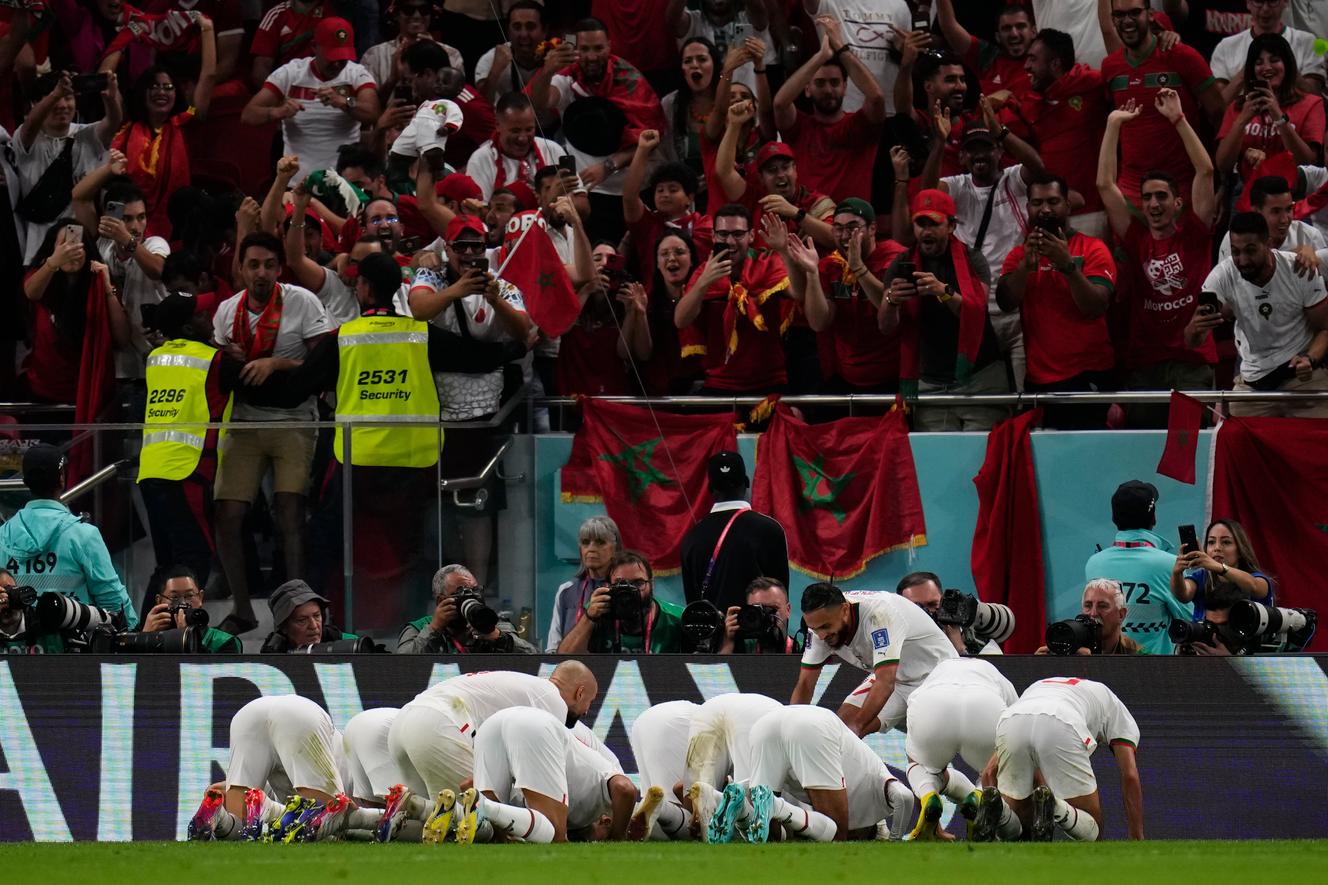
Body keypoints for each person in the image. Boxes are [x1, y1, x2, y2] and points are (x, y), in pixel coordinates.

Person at [210, 231, 331, 635]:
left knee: (289, 513)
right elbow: (220, 369)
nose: (260, 273)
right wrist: (232, 360)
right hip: (244, 420)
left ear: (279, 269)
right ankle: (243, 609)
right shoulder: (228, 310)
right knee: (227, 513)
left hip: (295, 420)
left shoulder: (303, 302)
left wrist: (277, 363)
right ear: (241, 268)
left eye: (268, 265)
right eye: (253, 265)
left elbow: (325, 364)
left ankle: (298, 612)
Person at [1098, 91, 1218, 426]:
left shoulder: (1195, 233)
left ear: (1178, 202)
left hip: (1190, 361)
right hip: (1145, 364)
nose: (1153, 204)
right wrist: (1112, 126)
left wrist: (1178, 120)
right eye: (1147, 196)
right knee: (1145, 451)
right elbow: (1105, 185)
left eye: (1162, 196)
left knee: (1187, 454)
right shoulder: (1136, 237)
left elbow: (1205, 171)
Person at [381, 663, 599, 841]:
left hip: (403, 722)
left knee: (432, 824)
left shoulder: (528, 687)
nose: (587, 710)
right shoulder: (554, 702)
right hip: (439, 724)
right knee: (483, 827)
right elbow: (536, 766)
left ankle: (371, 819)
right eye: (590, 702)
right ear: (580, 693)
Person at [925, 115, 1044, 391]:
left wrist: (1001, 131)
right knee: (983, 393)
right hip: (973, 312)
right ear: (963, 155)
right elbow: (929, 194)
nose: (980, 155)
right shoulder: (955, 185)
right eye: (972, 149)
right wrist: (940, 144)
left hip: (1015, 312)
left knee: (1025, 394)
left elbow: (1038, 167)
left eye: (987, 147)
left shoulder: (1014, 180)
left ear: (999, 151)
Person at [880, 187, 1008, 430]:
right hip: (931, 381)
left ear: (951, 226)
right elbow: (885, 327)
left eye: (934, 224)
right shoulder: (901, 264)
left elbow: (976, 313)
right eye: (920, 223)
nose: (926, 232)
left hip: (979, 377)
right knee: (939, 460)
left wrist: (943, 292)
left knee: (983, 457)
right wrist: (891, 301)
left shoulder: (973, 260)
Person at [996, 173, 1117, 429]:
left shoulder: (1092, 248)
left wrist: (1067, 266)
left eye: (1053, 201)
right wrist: (1024, 269)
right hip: (1039, 381)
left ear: (1067, 205)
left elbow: (1095, 307)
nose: (1045, 209)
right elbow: (1006, 302)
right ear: (1028, 207)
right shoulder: (1019, 255)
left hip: (1089, 376)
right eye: (1037, 203)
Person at [979, 676, 1143, 841]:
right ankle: (1055, 806)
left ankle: (1002, 813)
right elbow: (1130, 774)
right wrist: (1136, 835)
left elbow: (988, 771)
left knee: (1019, 833)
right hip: (1063, 721)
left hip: (1012, 721)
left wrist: (993, 795)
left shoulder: (1040, 686)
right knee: (1094, 831)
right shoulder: (1117, 711)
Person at [1200, 211, 1328, 417]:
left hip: (1303, 376)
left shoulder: (1301, 268)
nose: (1242, 260)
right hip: (1254, 380)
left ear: (1268, 243)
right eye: (1235, 252)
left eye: (1250, 251)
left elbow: (1325, 328)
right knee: (1224, 432)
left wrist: (1310, 358)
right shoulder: (1223, 274)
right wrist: (1197, 328)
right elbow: (1193, 338)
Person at [790, 583, 958, 738]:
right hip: (898, 678)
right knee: (842, 729)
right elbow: (805, 683)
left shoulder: (880, 615)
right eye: (814, 629)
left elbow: (885, 683)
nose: (821, 636)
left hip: (937, 677)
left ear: (845, 610)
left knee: (926, 757)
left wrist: (857, 730)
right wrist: (789, 729)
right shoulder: (820, 625)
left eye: (825, 627)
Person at [1100, 0, 1223, 204]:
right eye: (1119, 15)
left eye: (1134, 13)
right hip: (1131, 192)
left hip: (1183, 188)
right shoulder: (1110, 67)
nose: (1127, 21)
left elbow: (1219, 114)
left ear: (1150, 14)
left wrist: (1222, 182)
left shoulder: (1183, 56)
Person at [456, 706, 636, 845]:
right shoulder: (605, 791)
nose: (597, 842)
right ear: (606, 821)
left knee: (498, 835)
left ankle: (446, 814)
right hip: (534, 725)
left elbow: (468, 785)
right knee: (555, 836)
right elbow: (625, 788)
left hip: (491, 723)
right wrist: (617, 838)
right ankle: (485, 806)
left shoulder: (570, 807)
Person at [741, 703, 916, 843]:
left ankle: (737, 809)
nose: (855, 840)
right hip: (813, 725)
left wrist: (745, 789)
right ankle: (776, 806)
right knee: (837, 835)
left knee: (769, 837)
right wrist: (895, 841)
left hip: (765, 724)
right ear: (867, 830)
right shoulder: (878, 788)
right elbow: (904, 796)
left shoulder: (866, 788)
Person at [0, 445, 136, 623]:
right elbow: (112, 601)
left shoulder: (2, 536)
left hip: (19, 648)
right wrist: (133, 630)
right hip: (73, 647)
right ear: (62, 479)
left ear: (25, 483)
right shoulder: (84, 535)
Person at [187, 693, 349, 842]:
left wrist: (229, 786)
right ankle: (266, 807)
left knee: (241, 828)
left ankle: (220, 817)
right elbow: (347, 818)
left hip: (251, 713)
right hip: (300, 716)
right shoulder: (355, 772)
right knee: (321, 821)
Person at [110, 16, 217, 237]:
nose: (161, 92)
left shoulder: (187, 120)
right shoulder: (125, 127)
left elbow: (209, 76)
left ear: (176, 93)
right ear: (143, 92)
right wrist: (125, 37)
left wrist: (207, 29)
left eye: (168, 87)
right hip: (129, 229)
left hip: (174, 233)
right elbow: (106, 77)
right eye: (154, 87)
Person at [999, 30, 1109, 238]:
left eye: (1033, 59)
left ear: (1055, 64)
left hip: (1091, 211)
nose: (1026, 66)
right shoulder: (1030, 103)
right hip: (1046, 215)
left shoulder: (1092, 84)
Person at [241, 17, 380, 182]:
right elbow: (248, 115)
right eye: (332, 57)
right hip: (297, 181)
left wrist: (344, 101)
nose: (337, 65)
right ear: (314, 47)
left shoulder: (357, 74)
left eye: (342, 58)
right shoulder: (290, 73)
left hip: (343, 182)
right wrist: (278, 111)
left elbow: (373, 112)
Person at [674, 204, 794, 393]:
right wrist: (704, 283)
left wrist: (784, 251)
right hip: (719, 382)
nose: (730, 241)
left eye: (738, 234)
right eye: (723, 234)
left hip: (770, 382)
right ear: (713, 237)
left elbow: (799, 293)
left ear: (751, 236)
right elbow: (681, 320)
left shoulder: (767, 265)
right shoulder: (704, 272)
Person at [10, 70, 121, 264]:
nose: (63, 105)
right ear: (36, 105)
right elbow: (30, 124)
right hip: (38, 249)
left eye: (69, 98)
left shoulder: (89, 135)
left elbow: (113, 122)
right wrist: (57, 92)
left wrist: (111, 99)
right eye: (55, 99)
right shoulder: (26, 137)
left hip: (82, 245)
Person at [904, 657, 1018, 841]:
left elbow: (913, 699)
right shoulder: (996, 675)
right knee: (1001, 762)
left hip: (933, 702)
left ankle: (927, 795)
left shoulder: (940, 669)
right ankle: (980, 794)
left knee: (917, 762)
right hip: (984, 704)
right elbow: (1016, 725)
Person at [772, 17, 885, 204]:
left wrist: (840, 48)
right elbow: (780, 104)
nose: (828, 90)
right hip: (806, 222)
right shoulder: (800, 127)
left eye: (834, 83)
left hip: (852, 224)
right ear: (807, 89)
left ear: (845, 87)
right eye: (820, 83)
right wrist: (820, 57)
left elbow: (877, 98)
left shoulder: (860, 126)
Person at [797, 197, 903, 396]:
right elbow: (819, 323)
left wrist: (859, 268)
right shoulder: (831, 265)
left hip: (892, 379)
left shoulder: (896, 259)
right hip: (844, 378)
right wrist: (812, 273)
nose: (844, 235)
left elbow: (889, 310)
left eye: (852, 227)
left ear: (872, 229)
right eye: (838, 228)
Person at [20, 219, 129, 406]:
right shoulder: (42, 276)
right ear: (52, 249)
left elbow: (122, 337)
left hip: (90, 391)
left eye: (77, 244)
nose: (71, 251)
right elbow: (31, 292)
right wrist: (53, 262)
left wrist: (107, 289)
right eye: (64, 245)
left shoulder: (100, 280)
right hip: (44, 389)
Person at [1084, 480, 1193, 655]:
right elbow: (1189, 622)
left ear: (1114, 518)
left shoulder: (1093, 563)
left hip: (1103, 670)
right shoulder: (1169, 564)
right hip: (1155, 672)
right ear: (1154, 518)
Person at [680, 450, 788, 611]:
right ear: (746, 483)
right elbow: (779, 598)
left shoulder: (691, 537)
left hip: (712, 633)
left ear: (710, 488)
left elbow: (693, 603)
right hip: (758, 633)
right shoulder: (769, 529)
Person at [1214, 35, 1325, 192]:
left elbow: (1307, 163)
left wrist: (1278, 116)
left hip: (1293, 194)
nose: (1266, 67)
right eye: (1258, 63)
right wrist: (1242, 120)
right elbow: (1223, 165)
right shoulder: (1239, 107)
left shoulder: (1311, 104)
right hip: (1247, 193)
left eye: (1274, 60)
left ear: (1287, 64)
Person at [714, 127, 835, 251]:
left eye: (785, 167)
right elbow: (724, 173)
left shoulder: (815, 202)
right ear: (761, 178)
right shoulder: (754, 200)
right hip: (762, 270)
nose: (781, 175)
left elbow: (836, 239)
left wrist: (795, 213)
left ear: (795, 170)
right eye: (772, 170)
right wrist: (735, 123)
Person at [622, 130, 714, 280]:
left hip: (697, 296)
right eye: (660, 190)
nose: (665, 194)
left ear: (689, 198)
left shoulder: (704, 226)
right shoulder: (648, 224)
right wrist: (642, 150)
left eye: (673, 189)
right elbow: (630, 197)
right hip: (654, 300)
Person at [557, 550, 684, 654]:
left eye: (638, 583)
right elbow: (563, 658)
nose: (630, 591)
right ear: (608, 586)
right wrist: (589, 617)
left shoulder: (677, 618)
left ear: (652, 584)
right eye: (621, 584)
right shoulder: (598, 611)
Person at [397, 564, 536, 654]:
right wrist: (434, 629)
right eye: (461, 593)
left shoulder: (494, 623)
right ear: (441, 600)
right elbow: (400, 665)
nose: (471, 598)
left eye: (475, 591)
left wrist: (497, 637)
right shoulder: (420, 627)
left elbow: (533, 657)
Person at [1209, 0, 1324, 104]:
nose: (1265, 9)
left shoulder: (1307, 42)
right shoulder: (1226, 46)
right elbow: (1217, 107)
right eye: (1258, 2)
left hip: (1293, 122)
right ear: (1248, 3)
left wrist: (1288, 66)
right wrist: (1247, 71)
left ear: (1285, 2)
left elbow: (1315, 98)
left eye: (1272, 2)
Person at [465, 91, 567, 203]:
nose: (522, 138)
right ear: (497, 125)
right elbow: (479, 211)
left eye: (529, 129)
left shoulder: (552, 150)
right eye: (515, 131)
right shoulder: (480, 160)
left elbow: (580, 205)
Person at [1171, 519, 1275, 622]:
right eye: (1211, 542)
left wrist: (1218, 567)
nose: (1217, 548)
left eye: (1226, 542)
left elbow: (1255, 586)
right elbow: (1183, 594)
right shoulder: (1201, 577)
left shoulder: (1257, 579)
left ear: (1240, 550)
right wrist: (1177, 573)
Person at [546, 516, 622, 652]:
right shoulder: (565, 591)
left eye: (600, 542)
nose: (591, 549)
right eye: (586, 542)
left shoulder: (627, 590)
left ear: (615, 549)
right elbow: (553, 649)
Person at [626, 700, 699, 840]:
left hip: (643, 721)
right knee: (695, 825)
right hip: (681, 721)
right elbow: (683, 787)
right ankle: (662, 806)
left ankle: (634, 814)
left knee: (654, 805)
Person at [667, 0, 776, 94]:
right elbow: (672, 19)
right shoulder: (693, 23)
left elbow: (758, 9)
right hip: (707, 107)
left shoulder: (748, 21)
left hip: (746, 102)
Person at [934, 0, 1035, 100]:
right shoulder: (988, 57)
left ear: (1033, 32)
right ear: (998, 36)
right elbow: (949, 27)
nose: (1014, 34)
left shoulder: (1044, 60)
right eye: (1006, 28)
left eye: (1020, 26)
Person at [1218, 175, 1326, 265]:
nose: (1284, 219)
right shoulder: (1235, 238)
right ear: (1256, 212)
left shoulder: (1310, 237)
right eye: (1276, 211)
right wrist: (1291, 258)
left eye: (1288, 209)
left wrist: (1316, 259)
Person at [361, 1, 463, 96]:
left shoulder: (452, 54)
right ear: (396, 14)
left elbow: (456, 102)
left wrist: (436, 55)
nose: (417, 15)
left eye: (424, 10)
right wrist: (393, 79)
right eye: (408, 10)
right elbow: (369, 109)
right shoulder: (374, 55)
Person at [139, 564, 240, 653]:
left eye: (189, 596)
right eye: (174, 597)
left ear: (200, 597)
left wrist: (186, 639)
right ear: (159, 601)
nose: (183, 603)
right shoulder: (153, 638)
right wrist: (144, 638)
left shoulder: (224, 642)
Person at [1035, 580, 1145, 656]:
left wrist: (1090, 664)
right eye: (1088, 606)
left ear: (1121, 615)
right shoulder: (1067, 647)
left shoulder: (1139, 656)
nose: (1093, 613)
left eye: (1102, 606)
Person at [474, 2, 548, 112]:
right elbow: (482, 108)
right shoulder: (491, 58)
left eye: (530, 27)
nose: (523, 34)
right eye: (517, 27)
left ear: (544, 30)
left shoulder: (557, 57)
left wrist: (548, 71)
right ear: (508, 31)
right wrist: (495, 71)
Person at [259, 579, 358, 652]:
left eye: (317, 616)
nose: (314, 626)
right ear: (284, 627)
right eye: (302, 620)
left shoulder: (344, 640)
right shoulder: (271, 656)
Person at [714, 577, 798, 655]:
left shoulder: (802, 650)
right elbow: (718, 671)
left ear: (788, 610)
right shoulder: (741, 650)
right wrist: (727, 644)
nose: (766, 617)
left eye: (773, 609)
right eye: (758, 610)